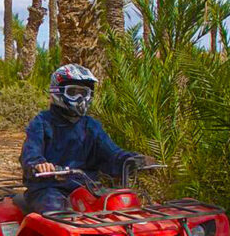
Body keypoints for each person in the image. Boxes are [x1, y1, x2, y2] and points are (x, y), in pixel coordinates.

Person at [19, 64, 149, 214]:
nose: (81, 98)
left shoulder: (91, 126)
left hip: (86, 187)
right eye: (74, 92)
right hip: (48, 188)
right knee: (57, 214)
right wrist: (38, 164)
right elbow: (30, 151)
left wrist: (132, 159)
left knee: (119, 209)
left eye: (85, 93)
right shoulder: (42, 122)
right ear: (57, 91)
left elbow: (111, 153)